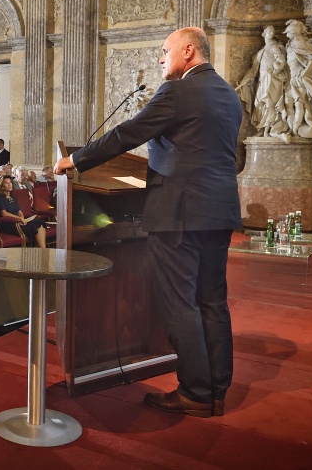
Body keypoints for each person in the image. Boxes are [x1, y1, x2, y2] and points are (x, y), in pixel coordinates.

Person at [53, 26, 241, 418]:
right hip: (218, 211)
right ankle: (217, 390)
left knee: (180, 303)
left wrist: (76, 160)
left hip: (178, 214)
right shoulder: (229, 95)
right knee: (213, 301)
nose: (160, 59)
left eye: (165, 50)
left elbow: (127, 134)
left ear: (188, 51)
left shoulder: (176, 92)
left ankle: (194, 392)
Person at [0, 175, 46, 247]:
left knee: (40, 223)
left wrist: (22, 218)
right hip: (9, 224)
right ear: (2, 186)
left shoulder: (13, 197)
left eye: (10, 182)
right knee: (37, 225)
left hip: (19, 222)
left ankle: (41, 250)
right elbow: (4, 213)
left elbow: (19, 211)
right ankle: (43, 251)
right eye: (6, 183)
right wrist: (18, 219)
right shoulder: (0, 197)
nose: (9, 184)